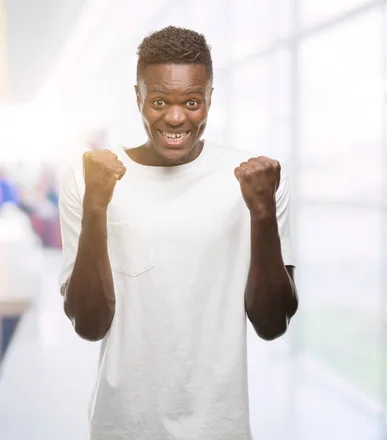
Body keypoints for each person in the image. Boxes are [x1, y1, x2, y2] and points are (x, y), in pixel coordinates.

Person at [58, 26, 298, 440]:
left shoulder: (255, 178)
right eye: (158, 101)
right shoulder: (91, 176)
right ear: (137, 97)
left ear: (209, 98)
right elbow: (89, 324)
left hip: (219, 427)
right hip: (121, 427)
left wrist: (261, 214)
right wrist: (97, 206)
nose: (175, 117)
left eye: (191, 102)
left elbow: (272, 323)